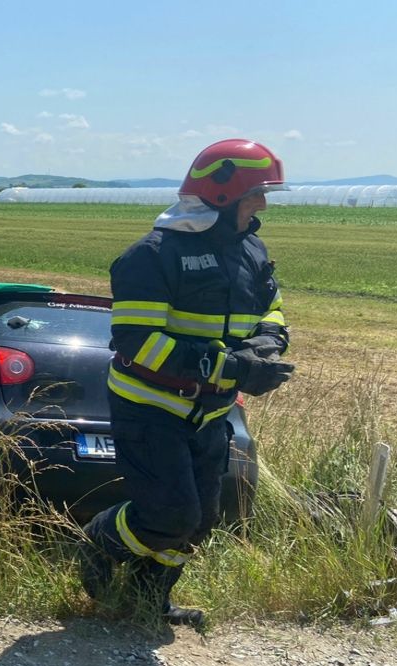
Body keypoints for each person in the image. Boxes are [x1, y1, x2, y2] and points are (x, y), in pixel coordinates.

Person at [80, 139, 296, 627]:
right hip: (152, 408)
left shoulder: (251, 249)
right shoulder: (152, 256)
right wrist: (233, 370)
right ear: (222, 195)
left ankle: (147, 601)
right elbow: (137, 342)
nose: (263, 204)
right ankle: (99, 539)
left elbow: (271, 306)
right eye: (256, 194)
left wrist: (267, 343)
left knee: (201, 522)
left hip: (212, 412)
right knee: (171, 515)